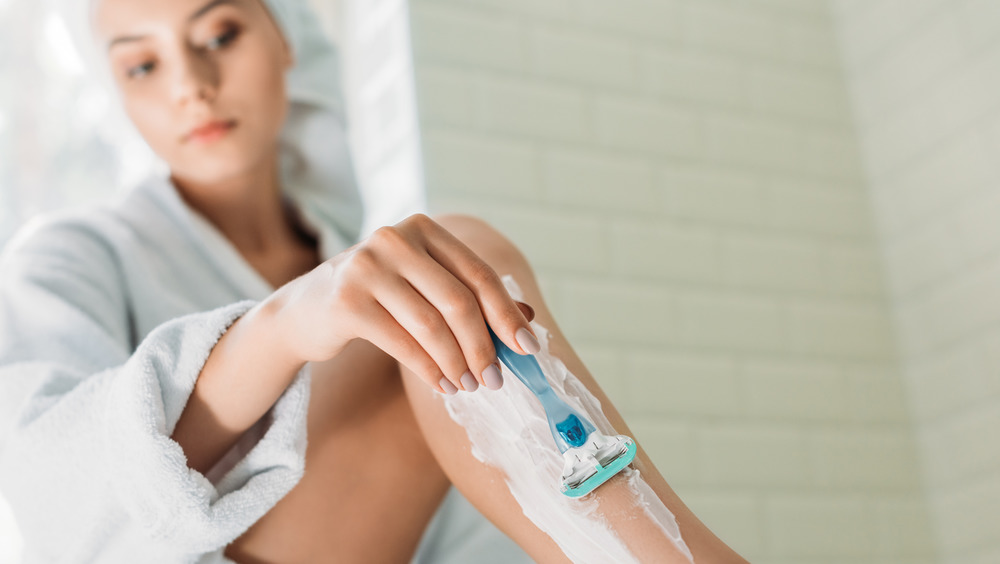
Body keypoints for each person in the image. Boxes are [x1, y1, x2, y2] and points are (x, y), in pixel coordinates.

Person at [0, 0, 750, 562]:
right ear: (116, 90)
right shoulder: (67, 258)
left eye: (220, 33)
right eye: (142, 65)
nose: (191, 85)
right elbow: (53, 503)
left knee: (436, 290)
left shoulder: (353, 262)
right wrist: (282, 329)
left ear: (285, 37)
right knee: (438, 280)